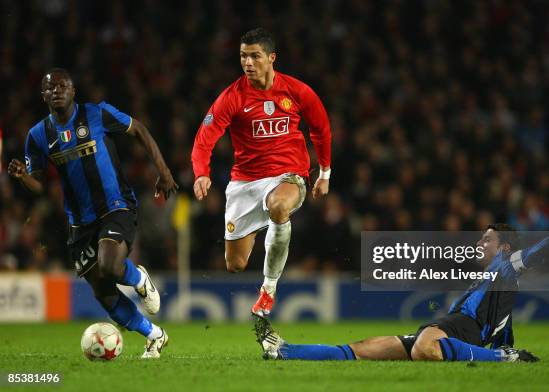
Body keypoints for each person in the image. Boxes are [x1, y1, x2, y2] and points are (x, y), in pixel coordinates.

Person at [255, 216, 549, 362]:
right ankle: (283, 350)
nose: (479, 241)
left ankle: (501, 361)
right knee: (362, 348)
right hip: (451, 326)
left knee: (425, 349)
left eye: (487, 238)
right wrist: (507, 344)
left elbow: (536, 254)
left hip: (460, 328)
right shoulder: (491, 279)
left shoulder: (506, 265)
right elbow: (502, 323)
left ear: (504, 247)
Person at [8, 68, 178, 358]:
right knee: (104, 292)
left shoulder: (97, 114)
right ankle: (154, 335)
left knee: (110, 265)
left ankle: (137, 279)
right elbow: (38, 185)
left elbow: (139, 129)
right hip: (79, 221)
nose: (56, 91)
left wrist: (163, 171)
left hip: (115, 206)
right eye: (50, 88)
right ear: (42, 95)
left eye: (63, 86)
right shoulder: (38, 135)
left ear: (74, 91)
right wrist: (24, 176)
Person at [191, 28, 332, 317]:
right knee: (235, 264)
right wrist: (201, 173)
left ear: (271, 58)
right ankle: (267, 224)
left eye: (255, 56)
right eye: (243, 56)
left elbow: (321, 129)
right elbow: (204, 138)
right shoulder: (232, 97)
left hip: (288, 174)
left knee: (279, 207)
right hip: (245, 182)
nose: (248, 63)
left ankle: (268, 290)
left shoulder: (297, 91)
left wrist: (324, 173)